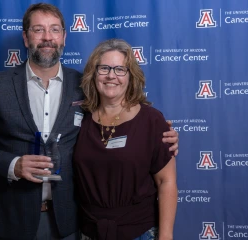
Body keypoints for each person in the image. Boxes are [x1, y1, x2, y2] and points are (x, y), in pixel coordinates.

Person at [0, 3, 179, 240]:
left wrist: (161, 133)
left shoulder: (84, 86)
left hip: (69, 223)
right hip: (12, 220)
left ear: (64, 37)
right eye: (38, 30)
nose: (48, 37)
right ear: (26, 38)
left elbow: (123, 112)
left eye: (55, 30)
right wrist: (13, 165)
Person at [73, 39, 178, 240]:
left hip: (140, 232)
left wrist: (165, 236)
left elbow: (167, 182)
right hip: (89, 232)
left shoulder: (151, 120)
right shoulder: (80, 118)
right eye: (104, 68)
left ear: (131, 77)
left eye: (120, 69)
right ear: (93, 74)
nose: (111, 75)